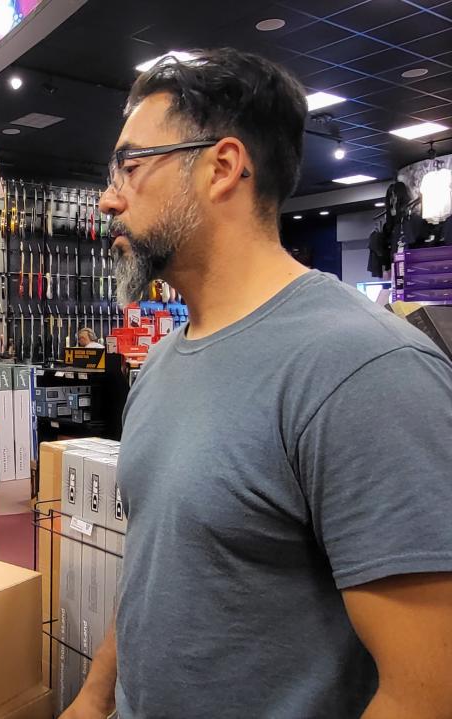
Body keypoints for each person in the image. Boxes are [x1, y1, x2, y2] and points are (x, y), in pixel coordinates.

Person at [64, 48, 452, 719]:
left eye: (130, 166)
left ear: (222, 168)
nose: (108, 197)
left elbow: (429, 689)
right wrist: (96, 696)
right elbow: (160, 572)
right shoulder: (160, 364)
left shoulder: (364, 371)